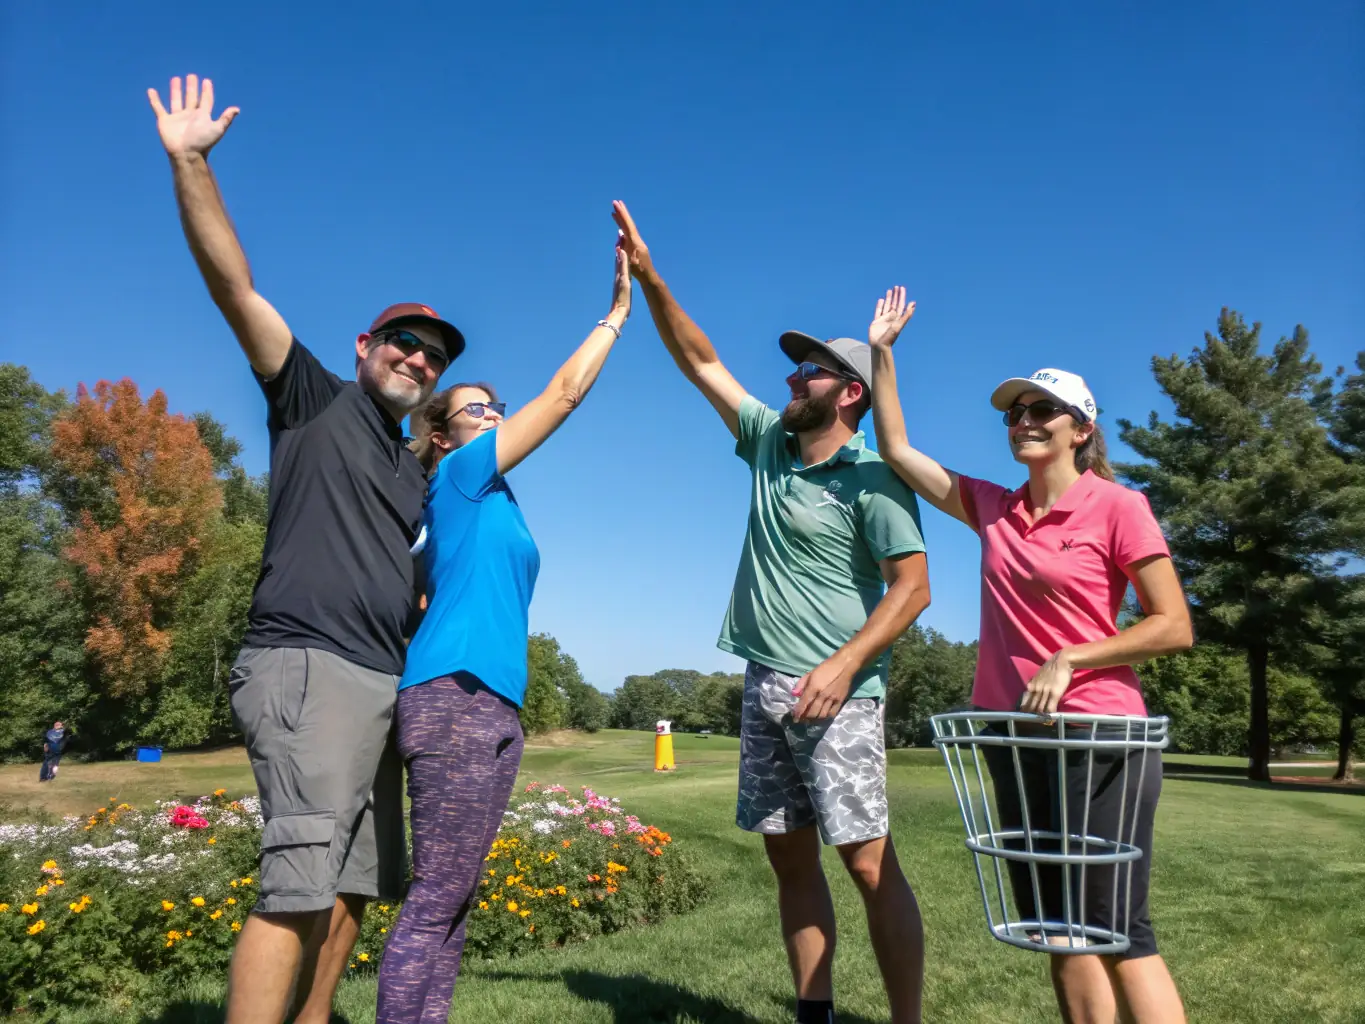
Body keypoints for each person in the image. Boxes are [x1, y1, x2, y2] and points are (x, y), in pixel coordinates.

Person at [147, 74, 459, 1024]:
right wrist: (191, 161)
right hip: (307, 668)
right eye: (402, 341)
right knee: (295, 885)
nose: (416, 357)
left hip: (377, 682)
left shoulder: (415, 472)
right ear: (367, 344)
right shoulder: (313, 399)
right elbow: (233, 285)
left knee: (352, 884)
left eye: (433, 354)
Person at [613, 202, 931, 1024]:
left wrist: (842, 665)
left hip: (841, 695)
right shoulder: (768, 444)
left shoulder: (875, 479)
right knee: (789, 862)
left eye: (810, 373)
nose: (791, 379)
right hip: (764, 685)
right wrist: (650, 280)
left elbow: (913, 589)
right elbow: (700, 360)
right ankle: (813, 1015)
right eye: (794, 371)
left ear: (851, 393)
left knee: (866, 865)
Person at [867, 288, 1193, 1024]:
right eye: (1012, 413)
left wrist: (1072, 658)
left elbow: (1173, 625)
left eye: (1039, 411)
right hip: (1013, 736)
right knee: (1055, 926)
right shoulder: (995, 507)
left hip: (1100, 736)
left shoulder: (1118, 506)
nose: (1021, 423)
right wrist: (883, 355)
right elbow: (896, 451)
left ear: (1080, 429)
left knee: (1117, 929)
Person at [374, 233, 632, 1023]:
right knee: (434, 897)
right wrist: (618, 313)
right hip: (452, 695)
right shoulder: (461, 473)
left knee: (457, 896)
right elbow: (563, 395)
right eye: (476, 410)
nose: (494, 416)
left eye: (495, 407)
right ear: (445, 435)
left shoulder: (494, 498)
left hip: (492, 703)